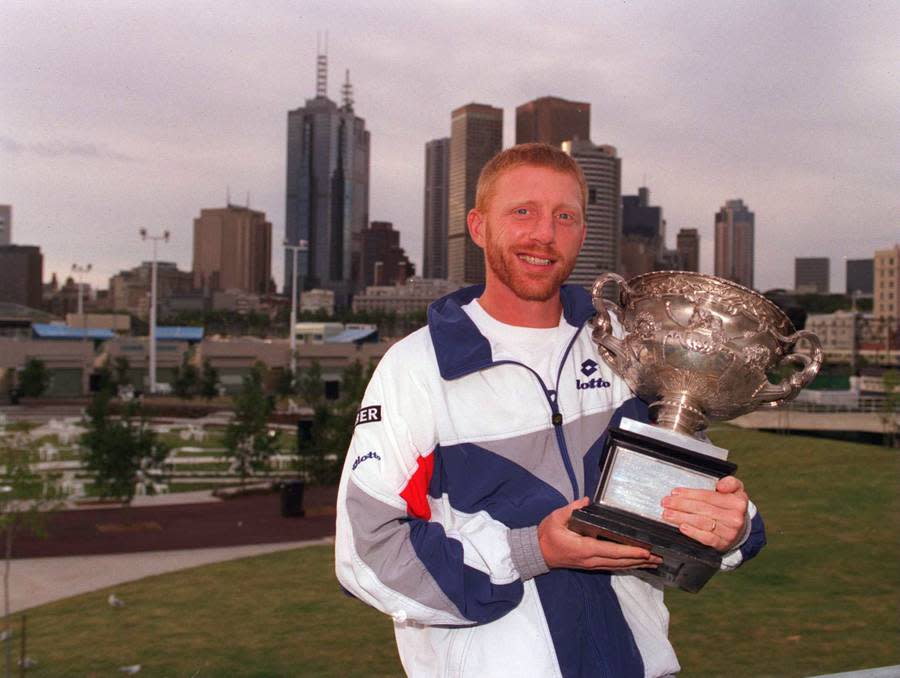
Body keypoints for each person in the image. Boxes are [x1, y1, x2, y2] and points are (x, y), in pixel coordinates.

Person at [334, 143, 766, 677]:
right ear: (477, 226)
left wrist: (732, 527)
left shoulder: (627, 348)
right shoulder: (418, 368)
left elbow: (685, 502)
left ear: (583, 233)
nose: (544, 234)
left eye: (565, 217)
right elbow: (367, 554)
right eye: (523, 212)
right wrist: (529, 550)